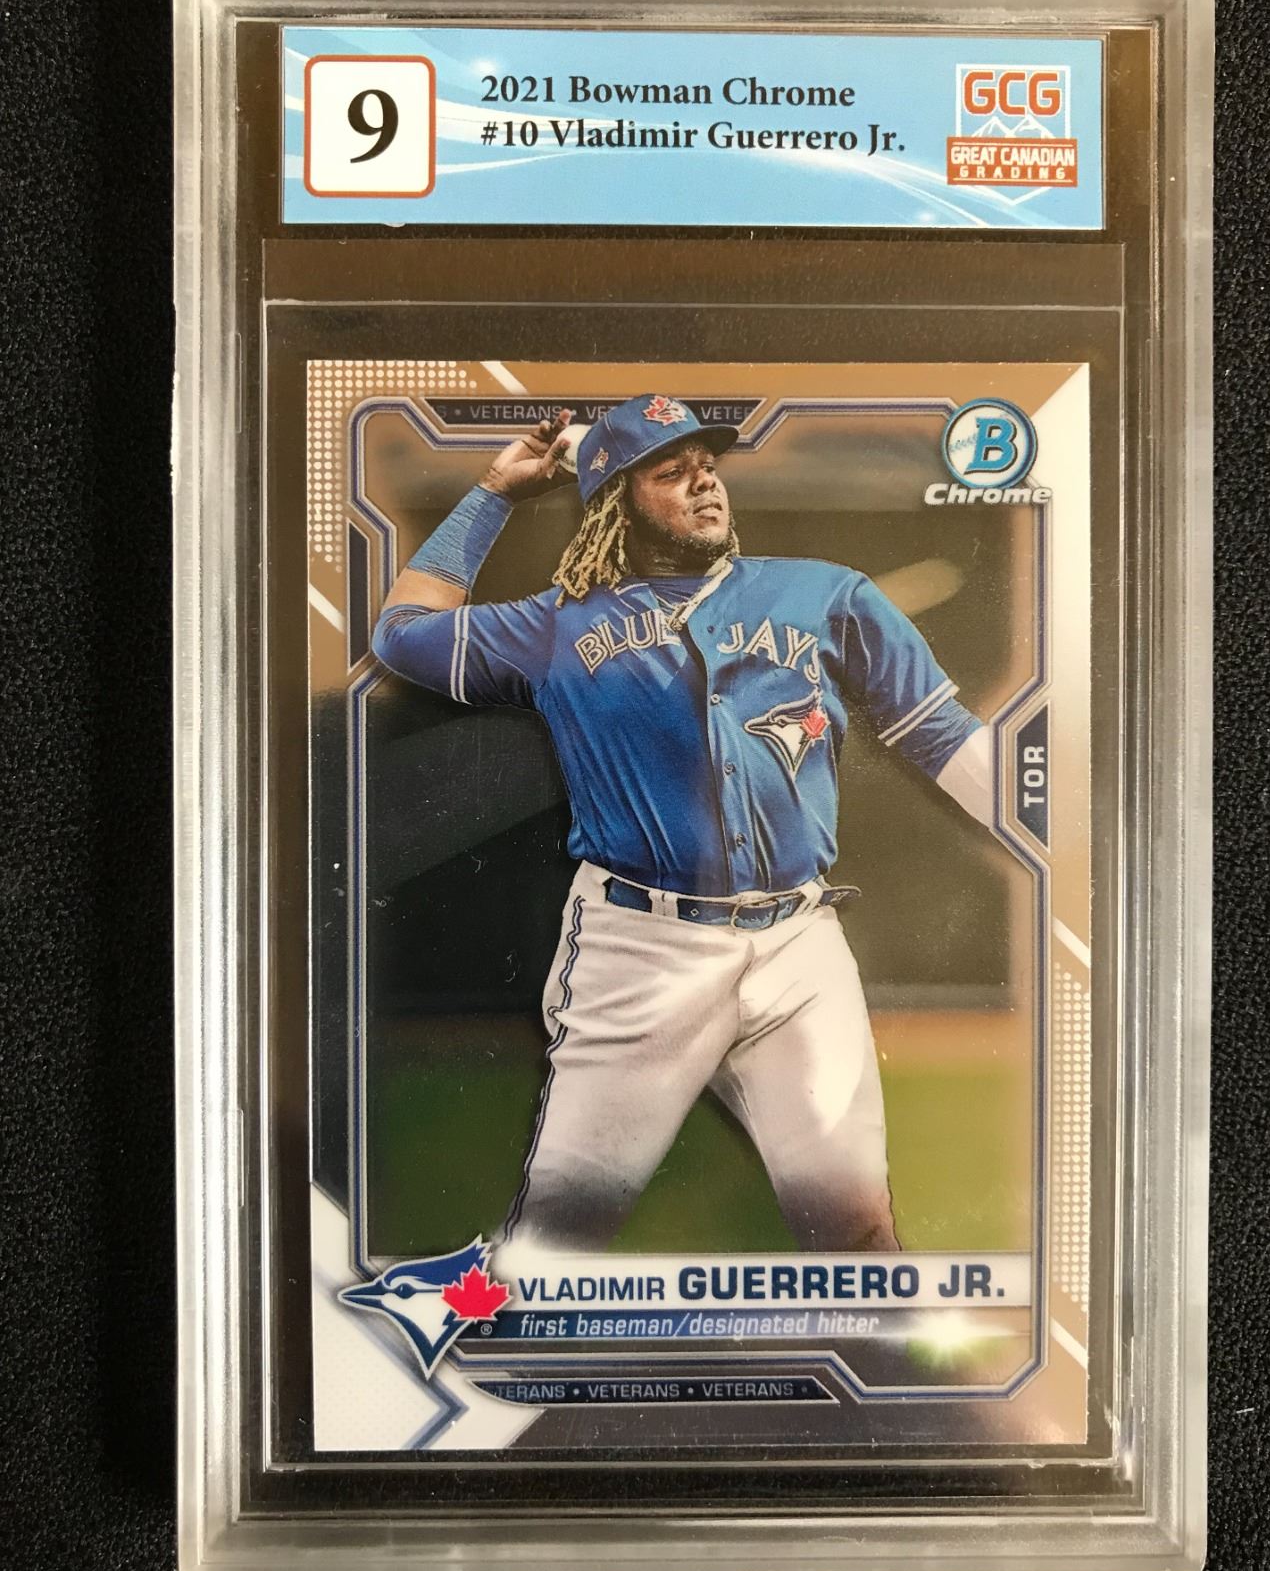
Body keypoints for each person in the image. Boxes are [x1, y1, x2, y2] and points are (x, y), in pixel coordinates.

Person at [372, 394, 993, 1253]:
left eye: (707, 465)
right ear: (616, 503)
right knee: (558, 1242)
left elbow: (942, 735)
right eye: (671, 471)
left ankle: (882, 1349)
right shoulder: (555, 625)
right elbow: (402, 635)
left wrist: (1054, 842)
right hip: (641, 950)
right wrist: (493, 493)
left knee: (857, 1233)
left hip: (798, 943)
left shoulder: (821, 593)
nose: (704, 482)